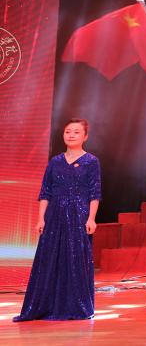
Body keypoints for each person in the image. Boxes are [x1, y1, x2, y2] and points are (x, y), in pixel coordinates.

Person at [15, 119, 101, 322]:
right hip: (54, 216)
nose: (71, 135)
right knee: (49, 259)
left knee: (75, 260)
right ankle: (45, 306)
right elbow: (45, 192)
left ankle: (76, 306)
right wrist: (40, 219)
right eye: (68, 131)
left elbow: (95, 193)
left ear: (85, 136)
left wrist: (91, 218)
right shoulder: (55, 162)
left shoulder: (91, 161)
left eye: (76, 132)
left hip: (79, 216)